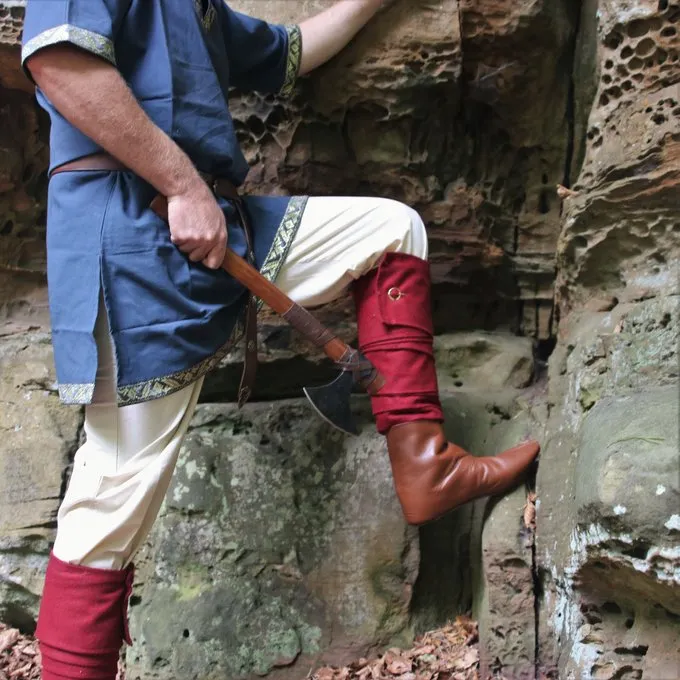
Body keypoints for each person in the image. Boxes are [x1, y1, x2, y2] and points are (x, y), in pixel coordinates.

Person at [21, 1, 540, 678]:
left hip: (221, 222)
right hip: (128, 237)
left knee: (390, 231)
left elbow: (289, 52)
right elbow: (59, 61)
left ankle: (427, 466)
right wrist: (181, 184)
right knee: (112, 497)